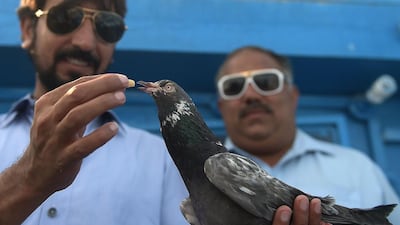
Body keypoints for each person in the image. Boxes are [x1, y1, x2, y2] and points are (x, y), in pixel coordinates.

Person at [0, 0, 192, 224]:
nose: (85, 43)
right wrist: (28, 179)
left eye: (107, 26)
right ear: (27, 29)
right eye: (65, 17)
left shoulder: (163, 161)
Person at [214, 45, 400, 224]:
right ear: (221, 106)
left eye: (266, 82)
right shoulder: (191, 179)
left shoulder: (357, 168)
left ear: (292, 95)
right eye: (233, 87)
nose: (250, 95)